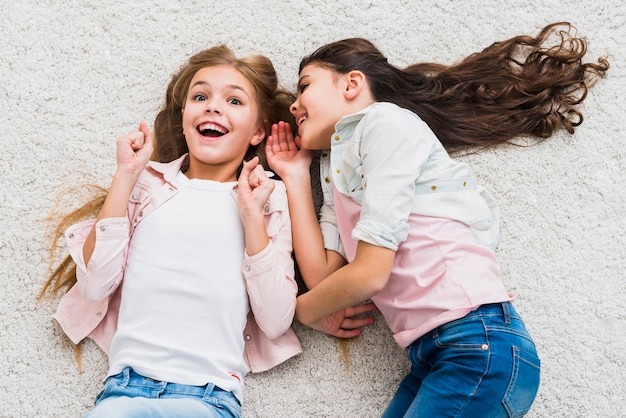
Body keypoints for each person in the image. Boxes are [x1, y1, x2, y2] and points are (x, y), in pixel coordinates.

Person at [266, 22, 609, 417]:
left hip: (475, 342)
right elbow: (326, 281)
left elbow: (369, 274)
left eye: (305, 85)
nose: (294, 105)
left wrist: (301, 310)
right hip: (436, 353)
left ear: (352, 84)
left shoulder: (385, 124)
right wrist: (294, 177)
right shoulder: (334, 168)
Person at [39, 45, 302, 418]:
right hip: (124, 391)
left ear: (258, 130)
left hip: (209, 396)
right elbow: (96, 284)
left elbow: (276, 321)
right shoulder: (145, 185)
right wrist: (125, 175)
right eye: (200, 96)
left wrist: (251, 216)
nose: (212, 106)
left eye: (234, 100)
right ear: (184, 119)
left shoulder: (268, 198)